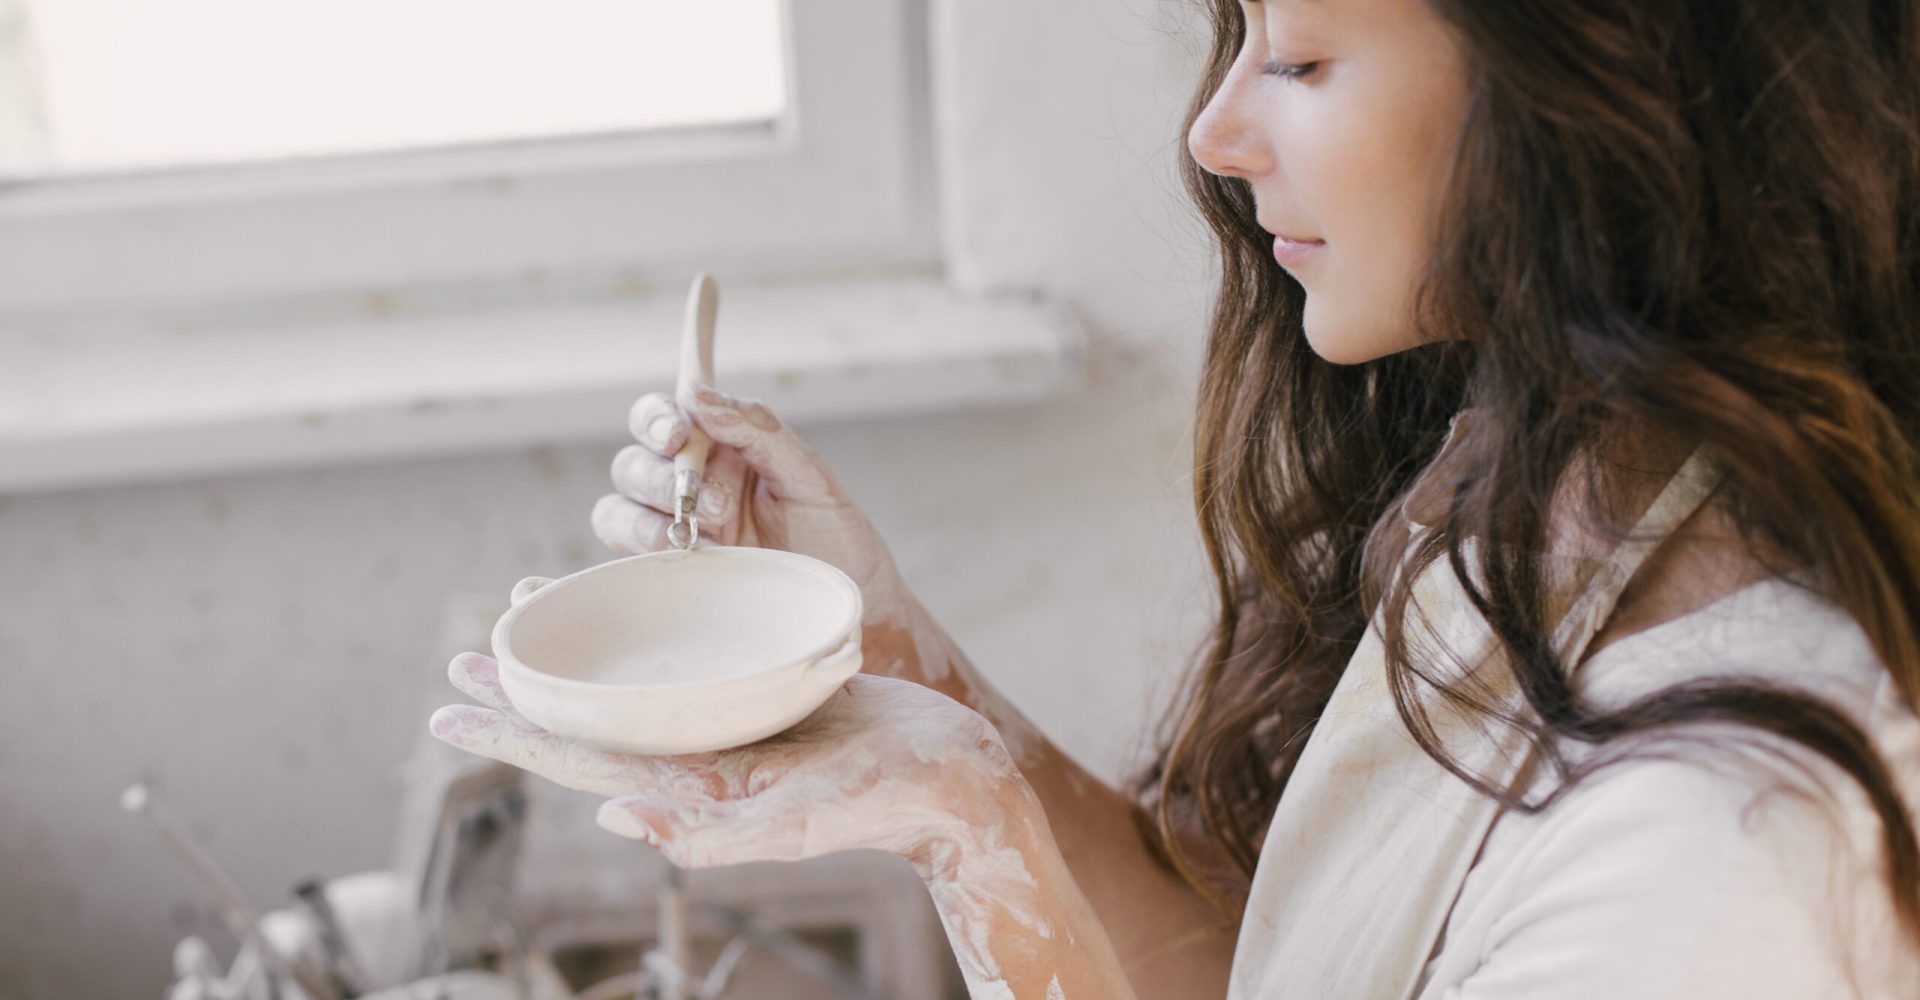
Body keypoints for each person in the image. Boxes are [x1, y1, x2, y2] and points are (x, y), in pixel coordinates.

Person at [427, 0, 1920, 995]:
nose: (1214, 131)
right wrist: (897, 668)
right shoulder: (1567, 478)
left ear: (1598, 82)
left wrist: (977, 847)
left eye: (1303, 56)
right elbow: (1256, 968)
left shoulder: (1719, 859)